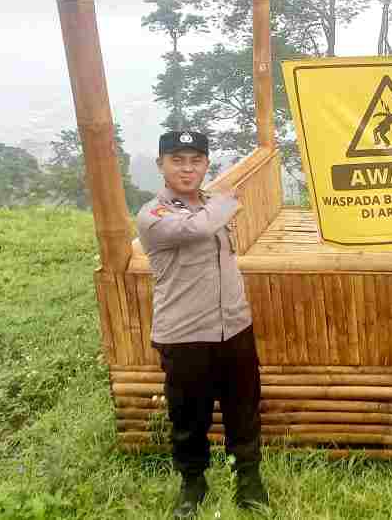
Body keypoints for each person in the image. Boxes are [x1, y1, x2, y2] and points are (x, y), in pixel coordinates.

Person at [136, 131, 267, 519]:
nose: (187, 168)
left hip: (234, 327)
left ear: (206, 165)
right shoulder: (153, 215)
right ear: (161, 166)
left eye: (196, 160)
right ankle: (192, 484)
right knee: (188, 416)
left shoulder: (214, 206)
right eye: (177, 160)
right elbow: (196, 229)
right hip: (185, 334)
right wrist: (229, 198)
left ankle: (249, 479)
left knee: (244, 409)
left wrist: (222, 201)